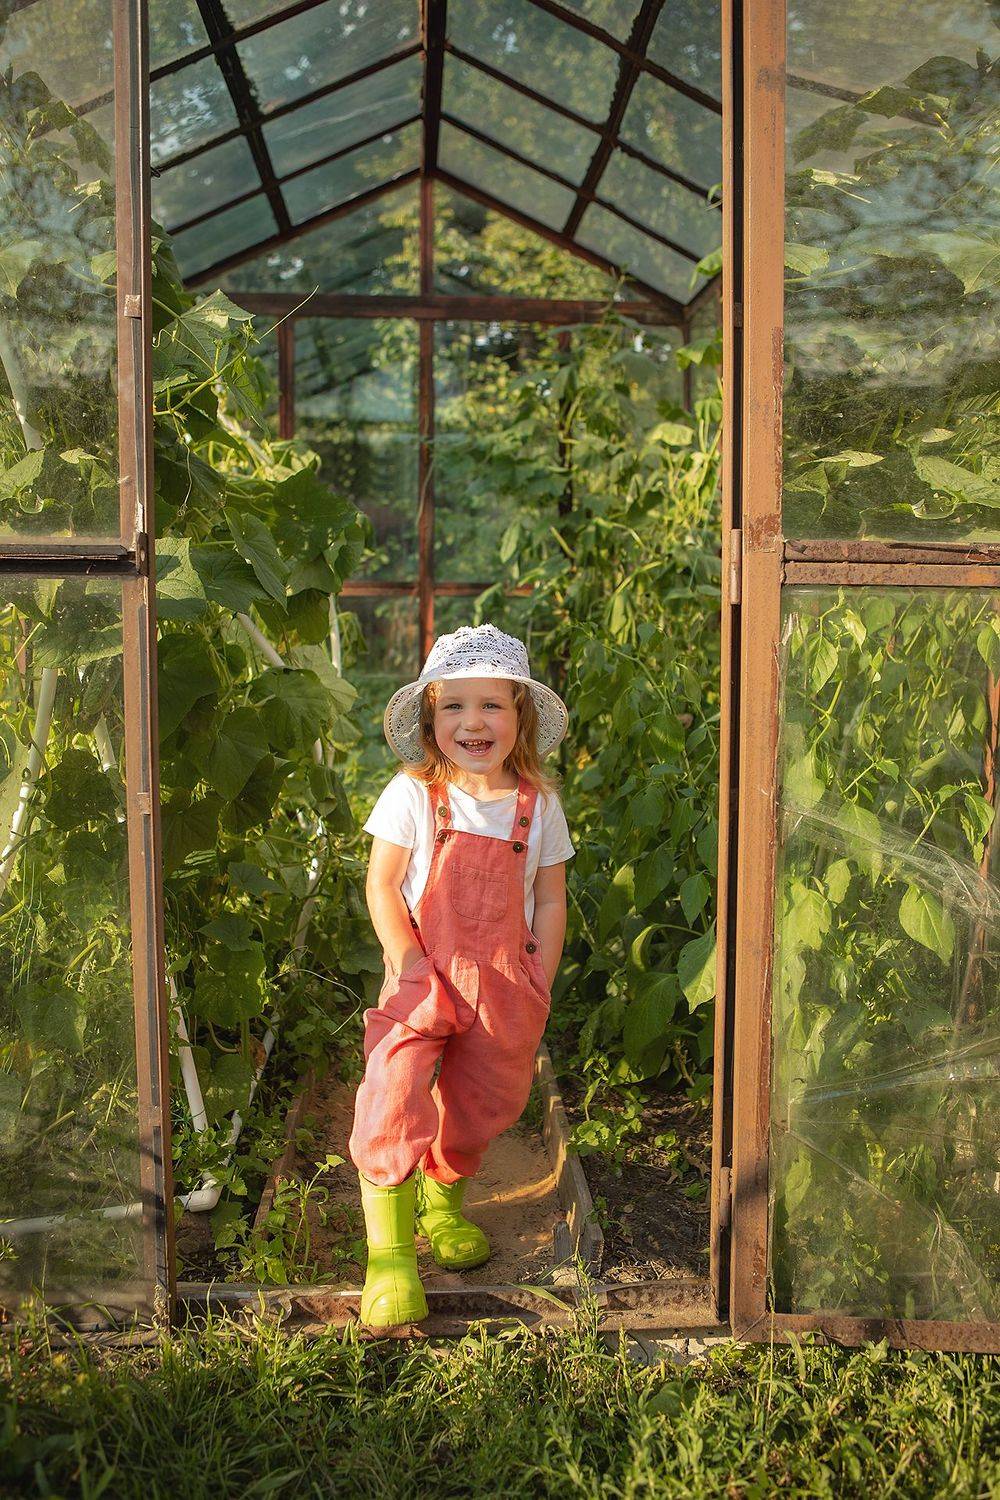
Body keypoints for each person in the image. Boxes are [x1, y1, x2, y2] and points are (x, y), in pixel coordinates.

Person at [348, 622, 574, 1328]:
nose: (473, 722)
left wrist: (539, 974)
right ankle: (390, 1257)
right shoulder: (414, 794)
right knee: (393, 1088)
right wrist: (408, 960)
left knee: (484, 1100)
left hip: (504, 978)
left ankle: (442, 1205)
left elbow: (550, 896)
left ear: (520, 716)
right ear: (430, 716)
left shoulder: (538, 805)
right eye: (454, 706)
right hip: (424, 970)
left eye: (491, 705)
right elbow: (382, 884)